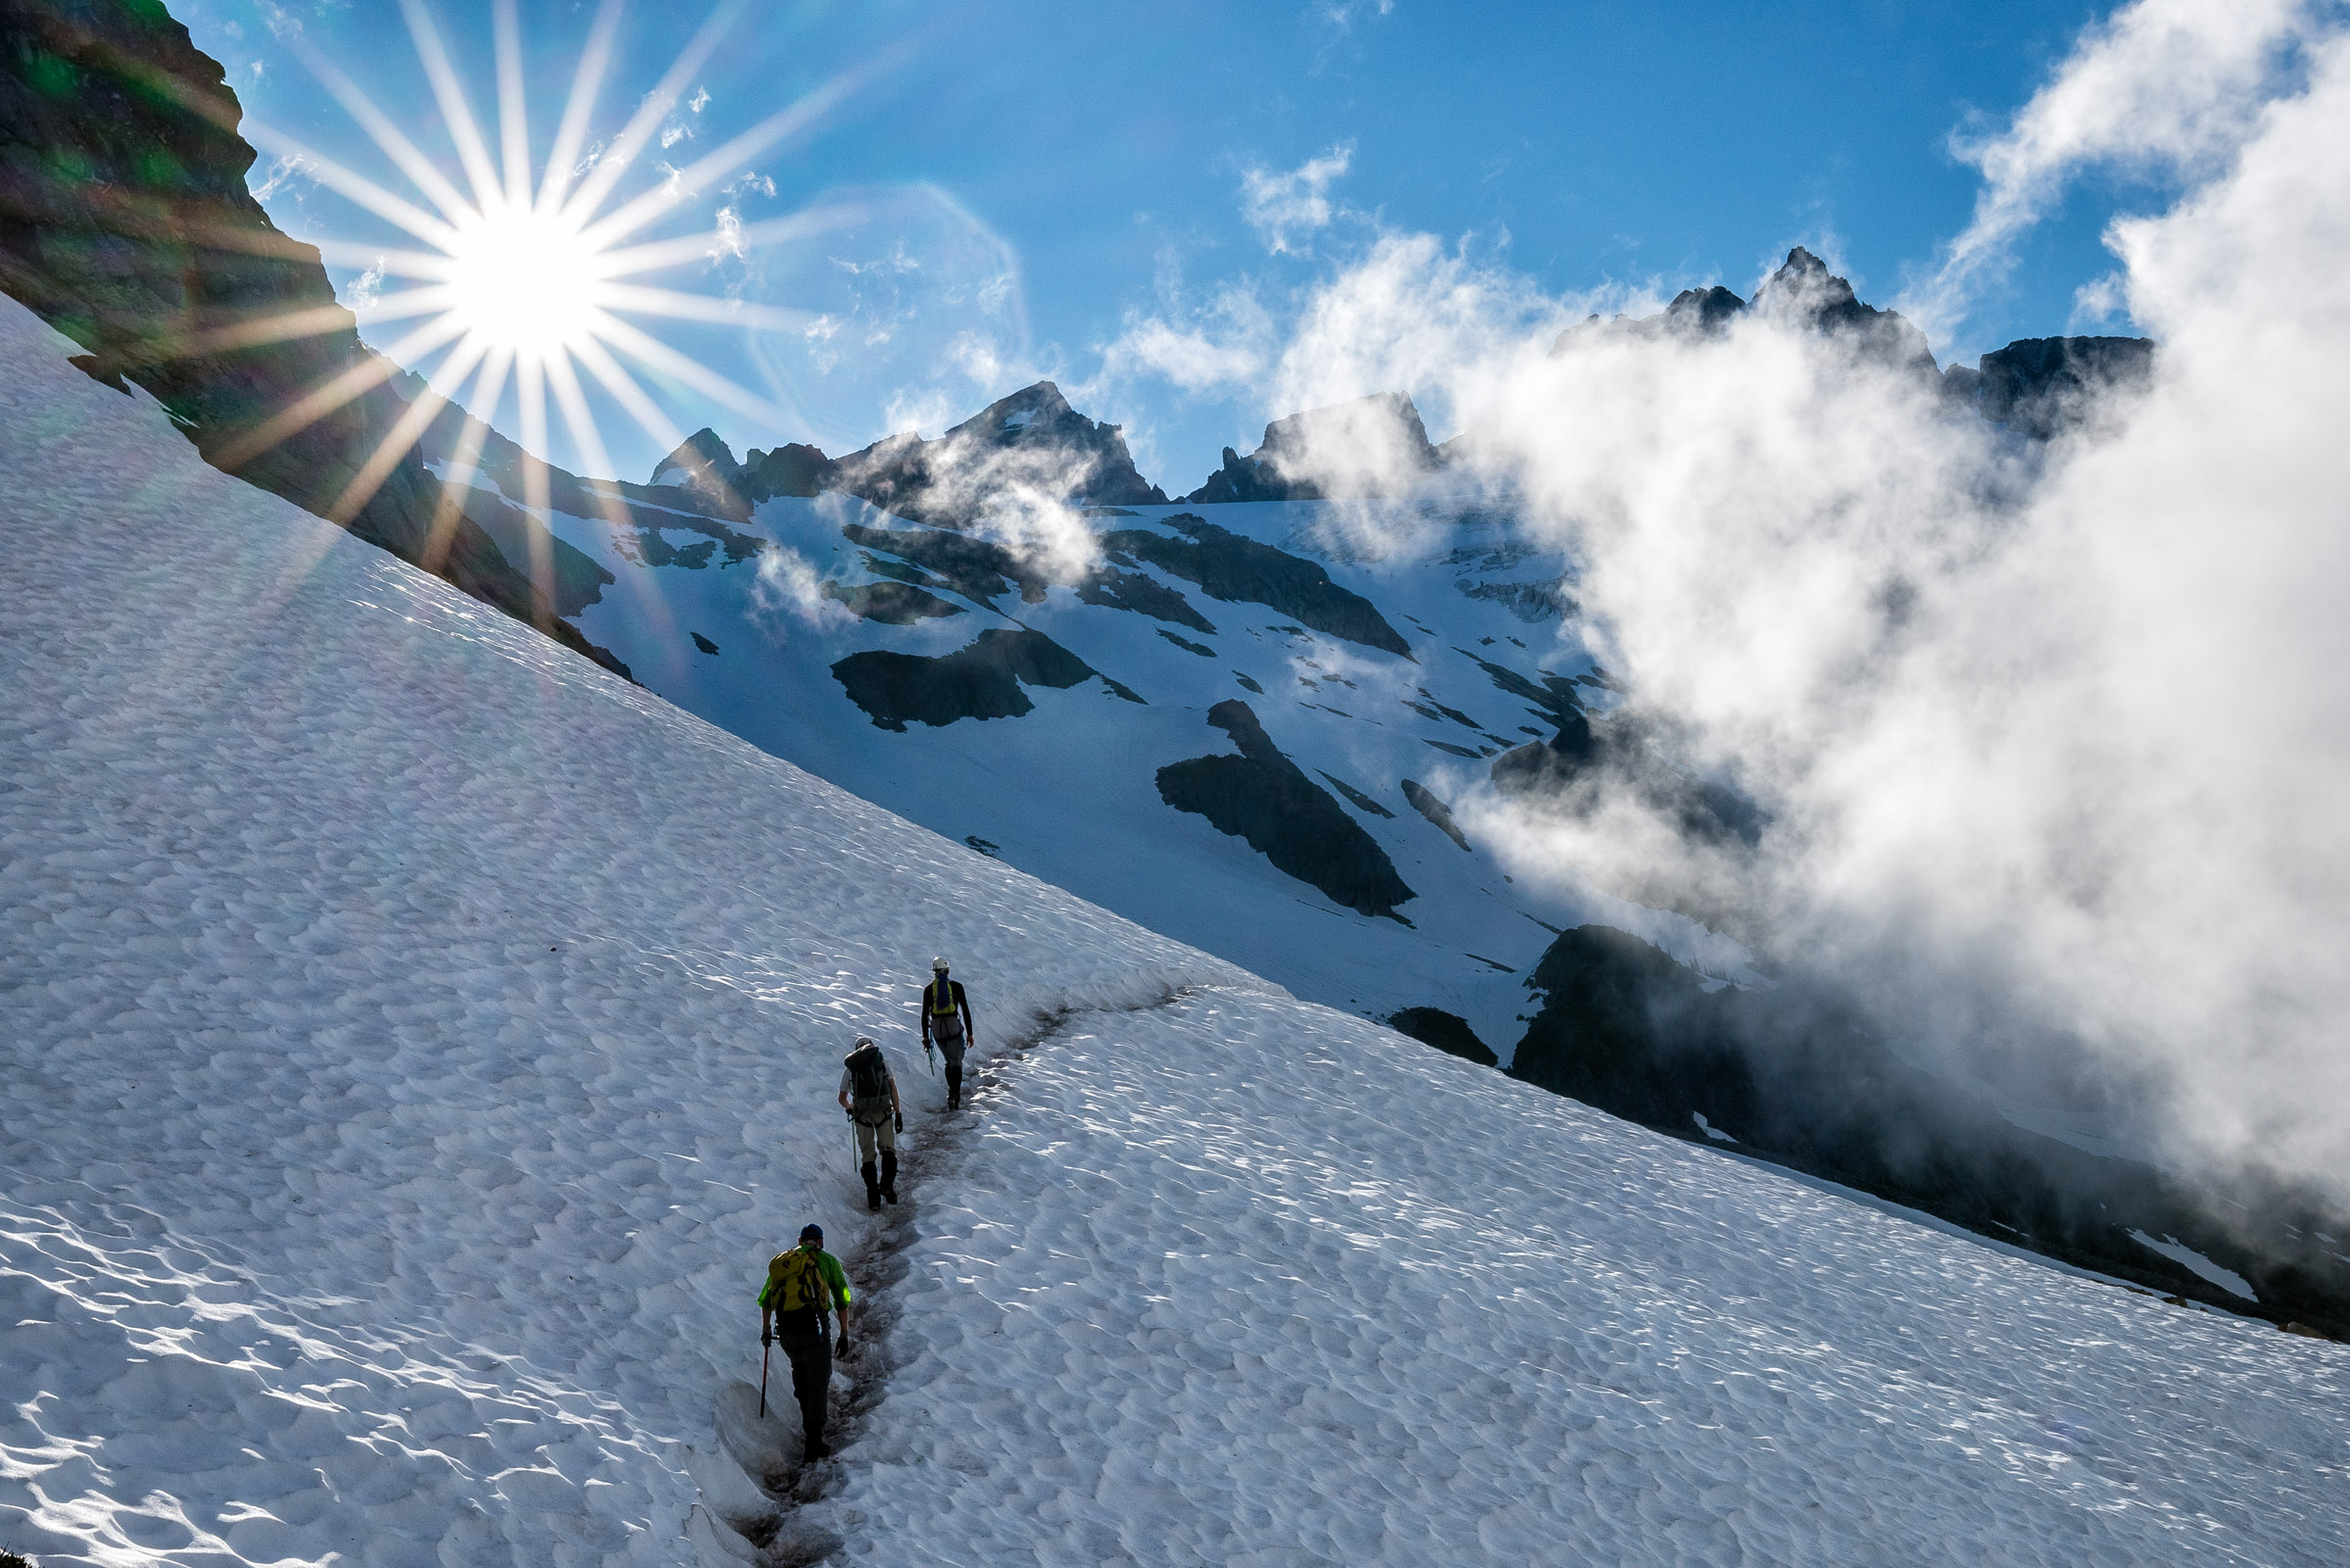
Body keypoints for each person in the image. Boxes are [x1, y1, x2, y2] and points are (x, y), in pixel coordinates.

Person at [759, 1223, 853, 1462]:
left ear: (800, 1241)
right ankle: (814, 1439)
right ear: (820, 1242)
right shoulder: (828, 1261)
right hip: (816, 1329)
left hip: (787, 1331)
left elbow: (766, 1299)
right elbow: (842, 1297)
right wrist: (844, 1332)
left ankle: (806, 1422)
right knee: (819, 1380)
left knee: (800, 1372)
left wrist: (767, 1329)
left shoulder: (784, 1263)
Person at [838, 1035, 903, 1209]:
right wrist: (898, 1113)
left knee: (868, 1155)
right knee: (888, 1149)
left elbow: (842, 1098)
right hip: (883, 1111)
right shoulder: (882, 1062)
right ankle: (887, 1185)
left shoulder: (851, 1067)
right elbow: (893, 1088)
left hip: (861, 1115)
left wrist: (851, 1108)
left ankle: (873, 1198)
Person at [921, 956, 976, 1110]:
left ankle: (951, 1091)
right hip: (953, 1028)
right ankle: (955, 1093)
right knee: (956, 1062)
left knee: (948, 1061)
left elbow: (924, 1015)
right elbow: (965, 1010)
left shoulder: (928, 990)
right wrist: (970, 1033)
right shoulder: (957, 987)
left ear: (934, 972)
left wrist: (925, 1036)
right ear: (948, 970)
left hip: (937, 1030)